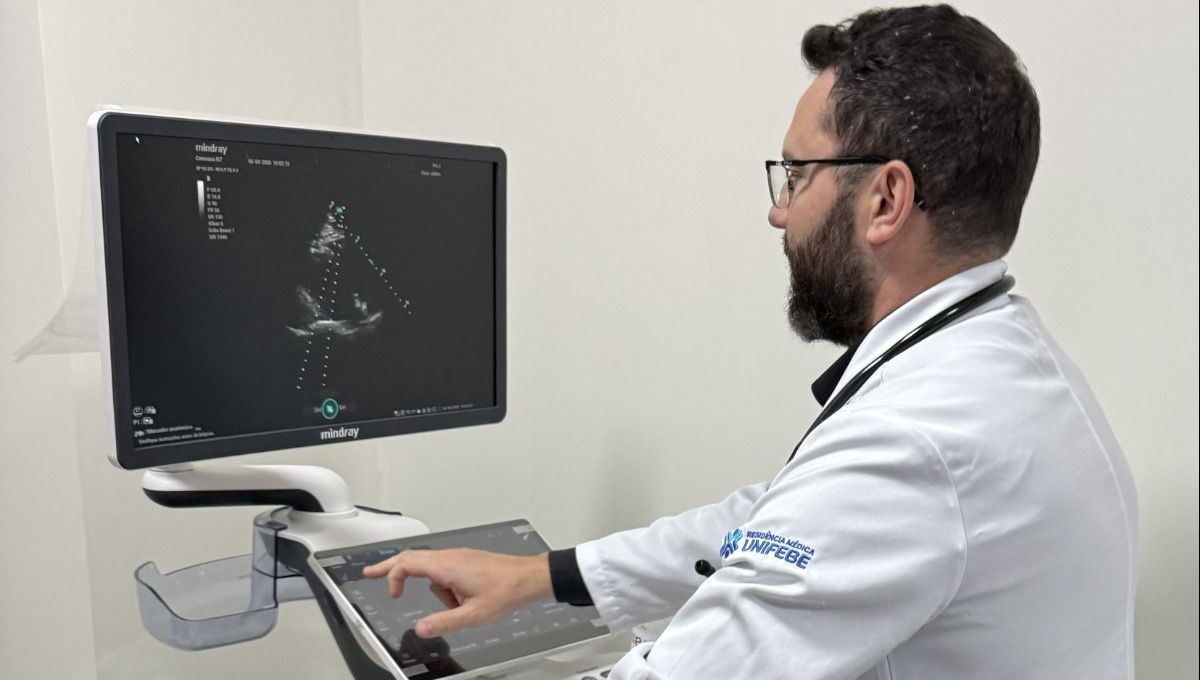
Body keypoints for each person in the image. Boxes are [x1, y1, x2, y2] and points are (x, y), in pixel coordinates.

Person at [364, 5, 1139, 678]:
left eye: (797, 174)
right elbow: (771, 526)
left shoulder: (917, 441)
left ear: (886, 199)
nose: (779, 211)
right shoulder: (1004, 361)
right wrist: (544, 577)